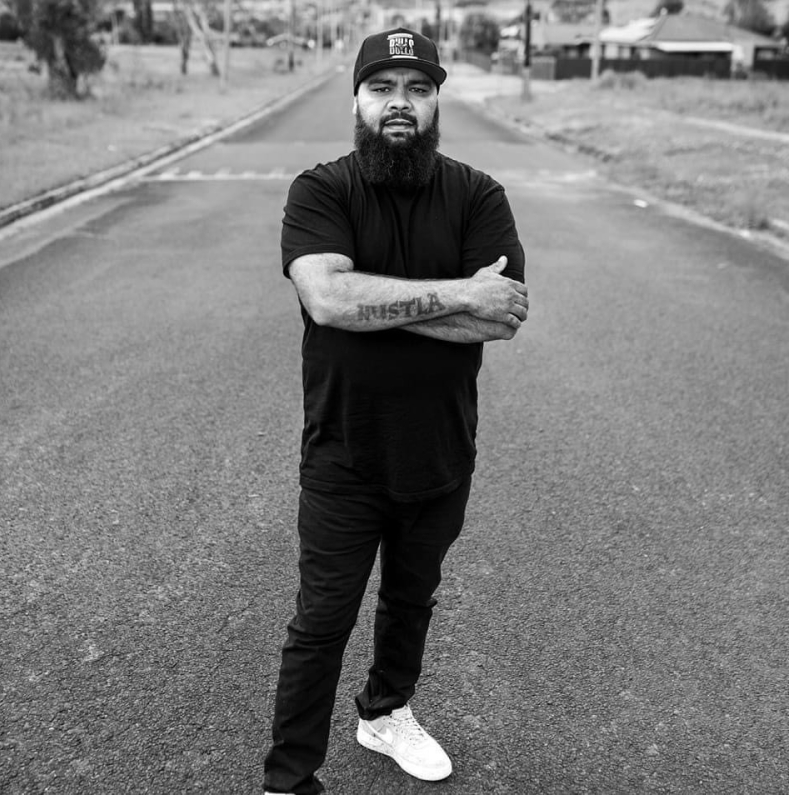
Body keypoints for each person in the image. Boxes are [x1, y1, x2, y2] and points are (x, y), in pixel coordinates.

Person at [263, 26, 528, 795]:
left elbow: (502, 315)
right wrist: (457, 292)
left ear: (438, 98)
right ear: (358, 99)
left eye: (416, 88)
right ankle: (289, 776)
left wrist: (368, 300)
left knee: (412, 598)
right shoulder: (322, 190)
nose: (400, 104)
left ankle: (386, 712)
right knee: (322, 621)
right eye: (383, 88)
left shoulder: (479, 195)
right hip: (343, 451)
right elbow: (326, 295)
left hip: (442, 451)